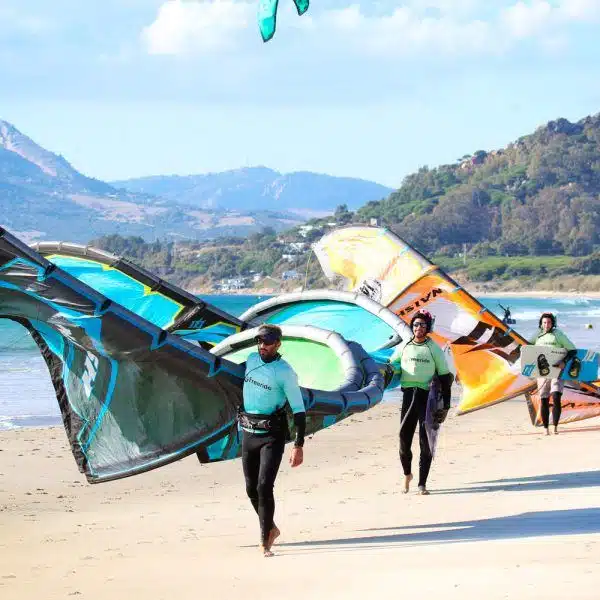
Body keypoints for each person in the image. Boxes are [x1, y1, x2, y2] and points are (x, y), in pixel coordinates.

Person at [238, 324, 306, 557]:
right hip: (248, 433)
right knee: (250, 489)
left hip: (271, 437)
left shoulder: (285, 372)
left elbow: (299, 411)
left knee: (264, 486)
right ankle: (271, 527)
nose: (262, 346)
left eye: (267, 342)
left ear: (278, 344)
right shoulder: (250, 360)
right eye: (259, 342)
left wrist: (298, 446)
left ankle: (264, 541)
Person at [389, 310, 453, 495]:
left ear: (428, 328)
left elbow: (445, 377)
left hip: (427, 400)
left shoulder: (434, 348)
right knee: (403, 439)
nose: (419, 328)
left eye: (423, 325)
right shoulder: (405, 346)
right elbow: (392, 365)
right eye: (416, 325)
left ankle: (422, 484)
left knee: (425, 443)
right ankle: (407, 474)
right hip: (408, 396)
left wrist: (446, 405)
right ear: (412, 327)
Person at [529, 312, 576, 435]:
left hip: (557, 370)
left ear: (552, 323)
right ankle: (546, 429)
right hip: (542, 371)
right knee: (544, 399)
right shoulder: (537, 335)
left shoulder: (558, 335)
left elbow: (572, 350)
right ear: (541, 323)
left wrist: (564, 362)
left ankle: (555, 426)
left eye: (549, 322)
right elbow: (527, 347)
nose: (546, 325)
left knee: (556, 397)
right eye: (544, 322)